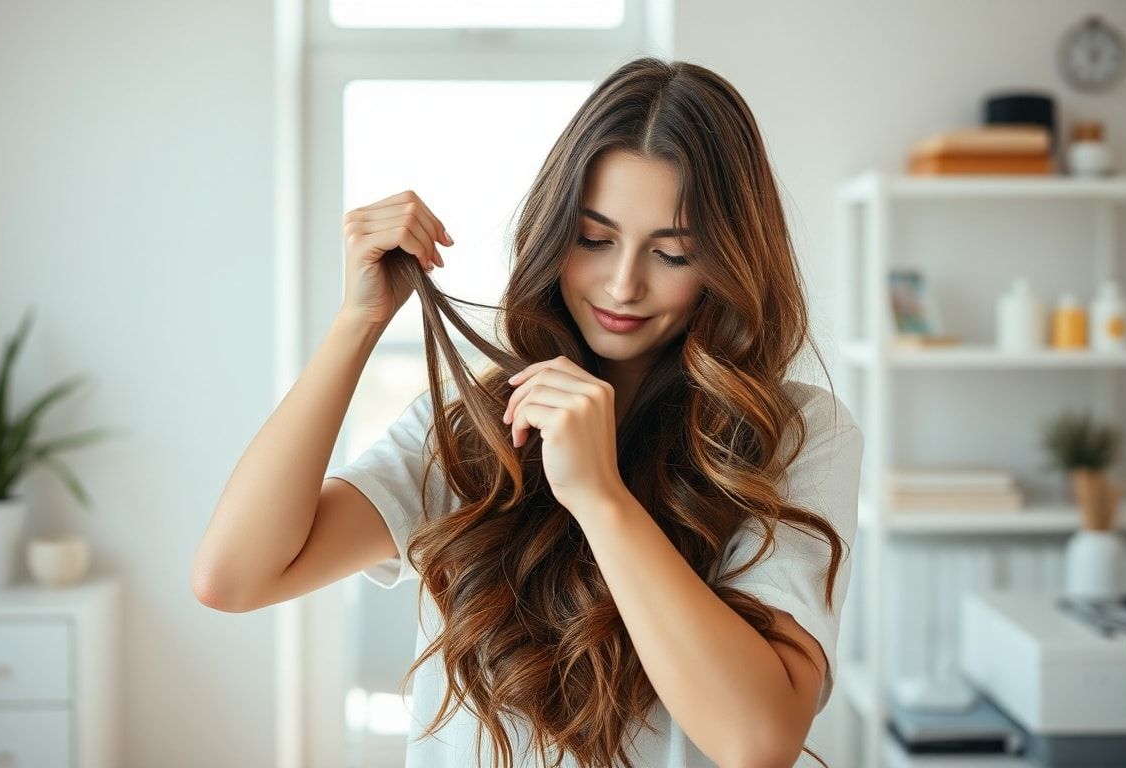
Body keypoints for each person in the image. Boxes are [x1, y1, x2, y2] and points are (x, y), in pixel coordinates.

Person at [193, 55, 864, 768]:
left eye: (671, 254)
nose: (623, 283)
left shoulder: (794, 434)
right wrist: (357, 322)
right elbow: (234, 576)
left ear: (728, 262)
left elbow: (757, 739)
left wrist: (600, 498)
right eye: (595, 239)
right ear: (552, 232)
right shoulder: (474, 425)